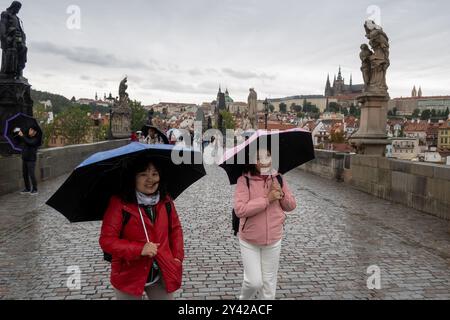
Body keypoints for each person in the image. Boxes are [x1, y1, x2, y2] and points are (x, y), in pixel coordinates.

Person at [99, 157, 184, 300]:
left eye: (154, 174)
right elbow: (106, 240)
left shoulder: (166, 201)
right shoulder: (119, 204)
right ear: (133, 178)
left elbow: (175, 230)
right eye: (143, 174)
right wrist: (139, 249)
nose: (150, 179)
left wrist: (177, 258)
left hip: (161, 272)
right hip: (128, 276)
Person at [234, 147, 296, 300]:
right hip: (250, 239)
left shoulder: (278, 178)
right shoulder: (244, 180)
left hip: (274, 239)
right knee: (253, 282)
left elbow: (291, 206)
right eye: (259, 158)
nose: (264, 161)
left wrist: (281, 195)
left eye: (267, 156)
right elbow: (240, 210)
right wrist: (267, 200)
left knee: (268, 287)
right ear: (253, 161)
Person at [18, 126, 40, 195]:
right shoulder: (27, 137)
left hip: (31, 160)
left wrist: (23, 136)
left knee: (31, 174)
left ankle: (35, 189)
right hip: (25, 158)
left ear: (35, 132)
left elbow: (30, 142)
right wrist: (21, 135)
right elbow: (23, 143)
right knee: (25, 174)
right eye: (29, 129)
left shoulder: (36, 139)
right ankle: (27, 188)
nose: (29, 131)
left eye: (31, 130)